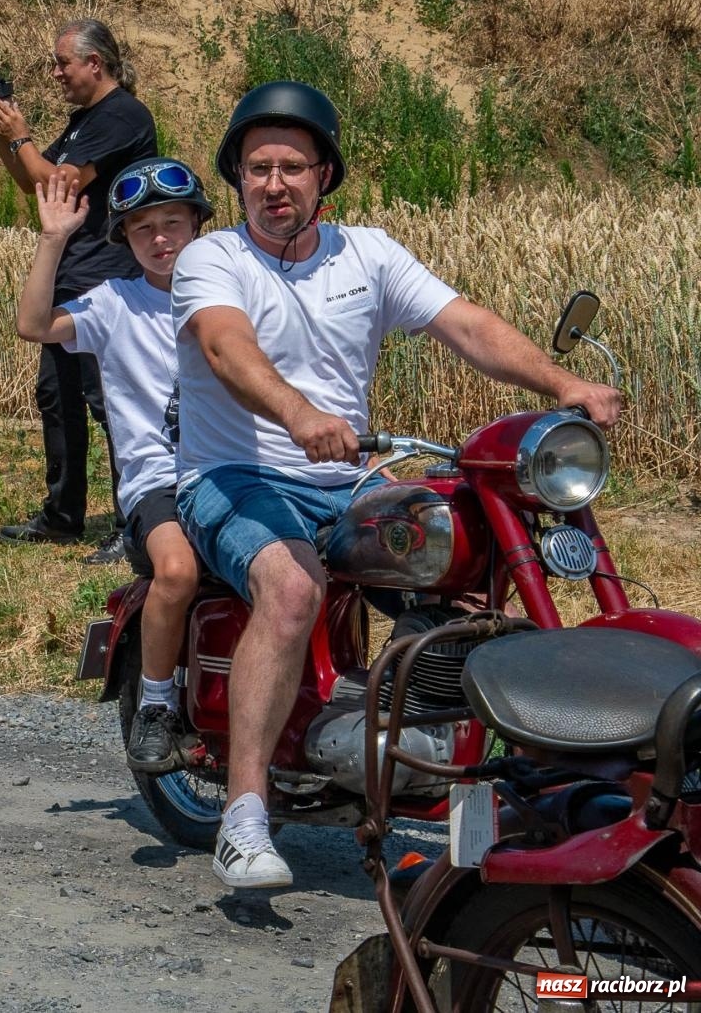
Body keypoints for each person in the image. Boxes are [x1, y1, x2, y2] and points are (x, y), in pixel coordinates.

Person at [170, 80, 623, 889]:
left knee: (471, 579)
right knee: (290, 589)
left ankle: (474, 797)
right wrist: (298, 411)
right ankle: (243, 815)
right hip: (230, 474)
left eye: (293, 168)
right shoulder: (213, 258)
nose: (274, 184)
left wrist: (563, 385)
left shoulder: (369, 253)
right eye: (257, 167)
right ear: (237, 175)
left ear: (326, 176)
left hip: (348, 479)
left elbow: (466, 324)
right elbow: (224, 347)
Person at [15, 157, 209, 772]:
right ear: (123, 238)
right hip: (158, 482)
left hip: (231, 470)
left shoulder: (231, 291)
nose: (160, 239)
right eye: (142, 227)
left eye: (173, 223)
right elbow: (34, 324)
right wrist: (52, 240)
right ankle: (155, 706)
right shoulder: (114, 304)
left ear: (198, 226)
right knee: (176, 571)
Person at [0, 18, 156, 564]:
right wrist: (3, 134)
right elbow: (36, 183)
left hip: (107, 274)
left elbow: (59, 182)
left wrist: (22, 135)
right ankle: (62, 515)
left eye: (63, 63)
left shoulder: (123, 114)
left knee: (111, 402)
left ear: (94, 64)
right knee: (57, 397)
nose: (56, 73)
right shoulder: (85, 121)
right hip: (70, 270)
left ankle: (136, 524)